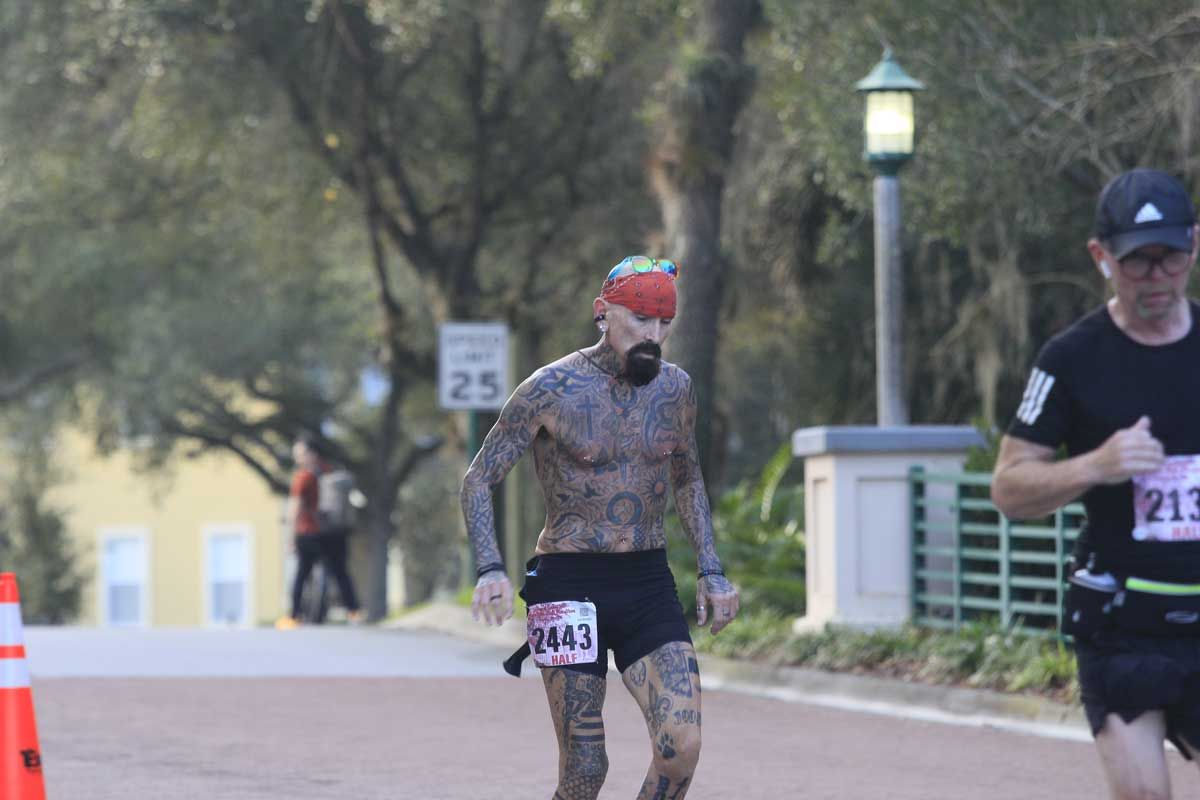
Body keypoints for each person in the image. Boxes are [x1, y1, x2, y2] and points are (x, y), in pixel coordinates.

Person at [460, 255, 740, 800]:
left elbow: (687, 479)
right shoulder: (549, 388)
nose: (653, 335)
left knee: (681, 748)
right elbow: (478, 479)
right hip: (566, 584)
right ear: (603, 313)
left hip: (646, 582)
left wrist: (712, 570)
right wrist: (490, 568)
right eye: (640, 319)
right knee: (586, 769)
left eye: (664, 322)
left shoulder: (676, 389)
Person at [991, 168, 1200, 799]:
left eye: (1170, 258)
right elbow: (1008, 487)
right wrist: (1095, 466)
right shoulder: (1070, 359)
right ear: (1101, 257)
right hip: (1122, 623)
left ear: (1195, 245)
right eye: (1137, 262)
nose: (1156, 277)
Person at [277, 435, 362, 628]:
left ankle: (293, 616)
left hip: (309, 532)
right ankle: (354, 612)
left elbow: (295, 507)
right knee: (341, 574)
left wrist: (291, 536)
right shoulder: (330, 471)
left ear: (311, 454)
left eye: (300, 454)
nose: (297, 458)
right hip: (334, 532)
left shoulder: (303, 476)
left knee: (301, 575)